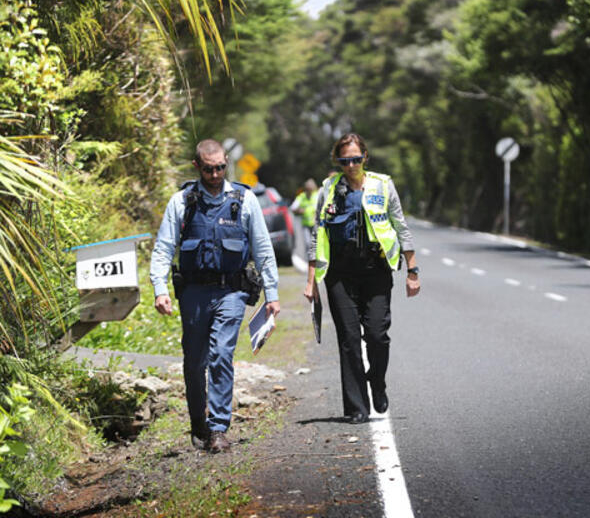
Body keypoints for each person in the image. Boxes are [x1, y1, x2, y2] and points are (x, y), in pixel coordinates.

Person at [150, 139, 281, 453]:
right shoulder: (181, 202)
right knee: (195, 361)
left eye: (221, 167)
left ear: (226, 164)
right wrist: (160, 289)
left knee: (222, 353)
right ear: (197, 166)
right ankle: (199, 421)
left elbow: (263, 249)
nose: (215, 173)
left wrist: (272, 294)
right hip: (194, 292)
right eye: (208, 169)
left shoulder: (244, 200)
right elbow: (164, 248)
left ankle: (219, 427)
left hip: (232, 290)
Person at [303, 133, 420, 424]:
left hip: (376, 271)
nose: (351, 165)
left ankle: (377, 382)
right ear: (338, 161)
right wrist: (311, 282)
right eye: (345, 161)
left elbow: (401, 227)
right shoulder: (328, 190)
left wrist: (412, 271)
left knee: (378, 336)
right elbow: (317, 235)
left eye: (356, 159)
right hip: (340, 274)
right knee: (349, 339)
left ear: (365, 157)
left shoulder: (382, 185)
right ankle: (357, 407)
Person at [290, 178, 318, 256]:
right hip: (305, 224)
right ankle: (309, 260)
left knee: (317, 243)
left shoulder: (317, 195)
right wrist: (299, 210)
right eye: (308, 190)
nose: (310, 192)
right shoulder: (301, 197)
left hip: (316, 224)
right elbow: (293, 208)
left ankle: (317, 259)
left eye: (311, 190)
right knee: (308, 243)